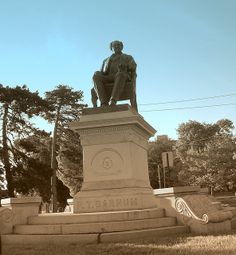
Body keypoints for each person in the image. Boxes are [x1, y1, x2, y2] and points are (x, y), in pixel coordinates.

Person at [92, 40, 137, 107]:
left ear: (121, 47)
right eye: (114, 45)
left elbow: (133, 68)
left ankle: (113, 101)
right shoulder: (105, 60)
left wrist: (125, 67)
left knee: (120, 74)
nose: (116, 46)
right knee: (96, 76)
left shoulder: (128, 57)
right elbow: (102, 72)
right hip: (109, 77)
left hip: (122, 76)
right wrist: (97, 73)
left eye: (118, 45)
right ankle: (104, 103)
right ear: (111, 48)